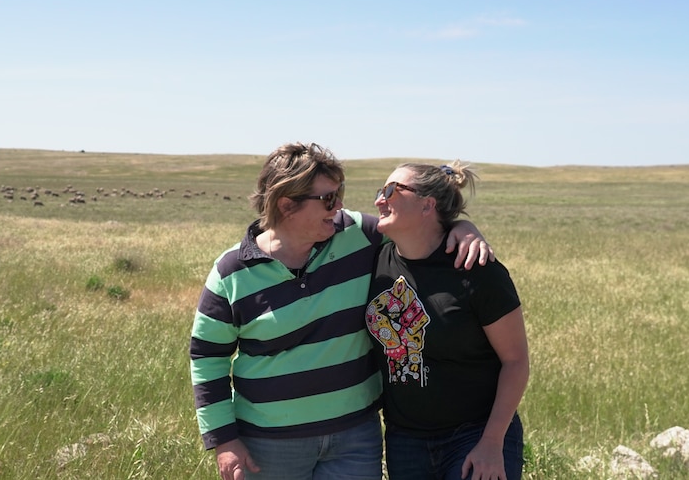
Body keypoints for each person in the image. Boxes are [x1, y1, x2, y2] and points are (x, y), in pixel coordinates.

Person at [189, 142, 495, 480]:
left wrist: (462, 228)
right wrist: (225, 441)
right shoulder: (231, 272)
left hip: (355, 439)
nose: (339, 206)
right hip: (269, 445)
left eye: (340, 193)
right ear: (287, 205)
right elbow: (207, 358)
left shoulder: (359, 236)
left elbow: (420, 231)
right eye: (327, 199)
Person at [365, 161, 529, 480]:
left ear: (428, 205)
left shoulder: (477, 269)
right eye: (379, 191)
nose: (379, 200)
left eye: (390, 191)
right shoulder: (373, 258)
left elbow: (516, 361)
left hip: (476, 433)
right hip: (405, 439)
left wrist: (492, 442)